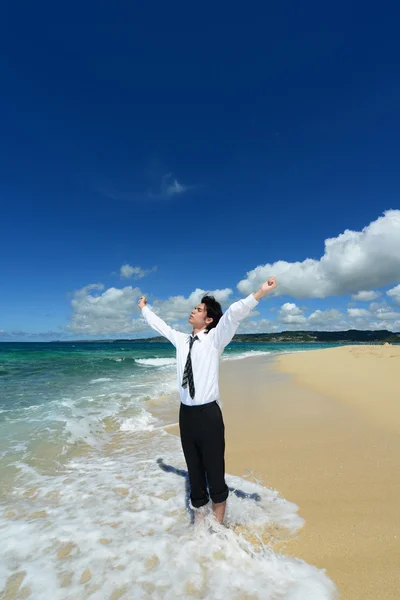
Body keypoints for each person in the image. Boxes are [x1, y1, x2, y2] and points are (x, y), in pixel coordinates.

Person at [138, 276, 277, 524]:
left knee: (214, 474)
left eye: (199, 309)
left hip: (208, 416)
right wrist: (144, 309)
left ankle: (218, 530)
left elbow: (233, 314)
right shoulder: (182, 340)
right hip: (186, 415)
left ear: (209, 319)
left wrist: (259, 293)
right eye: (196, 308)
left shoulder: (215, 340)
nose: (193, 311)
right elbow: (160, 325)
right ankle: (201, 530)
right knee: (194, 473)